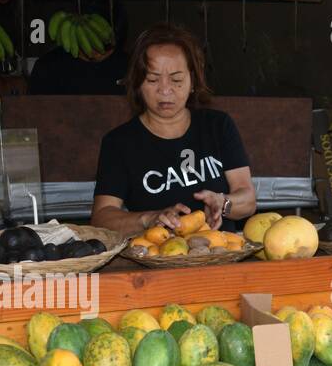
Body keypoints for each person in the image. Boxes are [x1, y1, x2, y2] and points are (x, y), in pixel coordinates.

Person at [90, 24, 254, 235]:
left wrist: (223, 203)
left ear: (193, 81)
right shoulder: (119, 142)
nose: (165, 90)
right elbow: (102, 217)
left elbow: (248, 199)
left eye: (176, 80)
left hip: (219, 253)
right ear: (138, 83)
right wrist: (148, 218)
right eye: (152, 79)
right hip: (157, 259)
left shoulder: (217, 126)